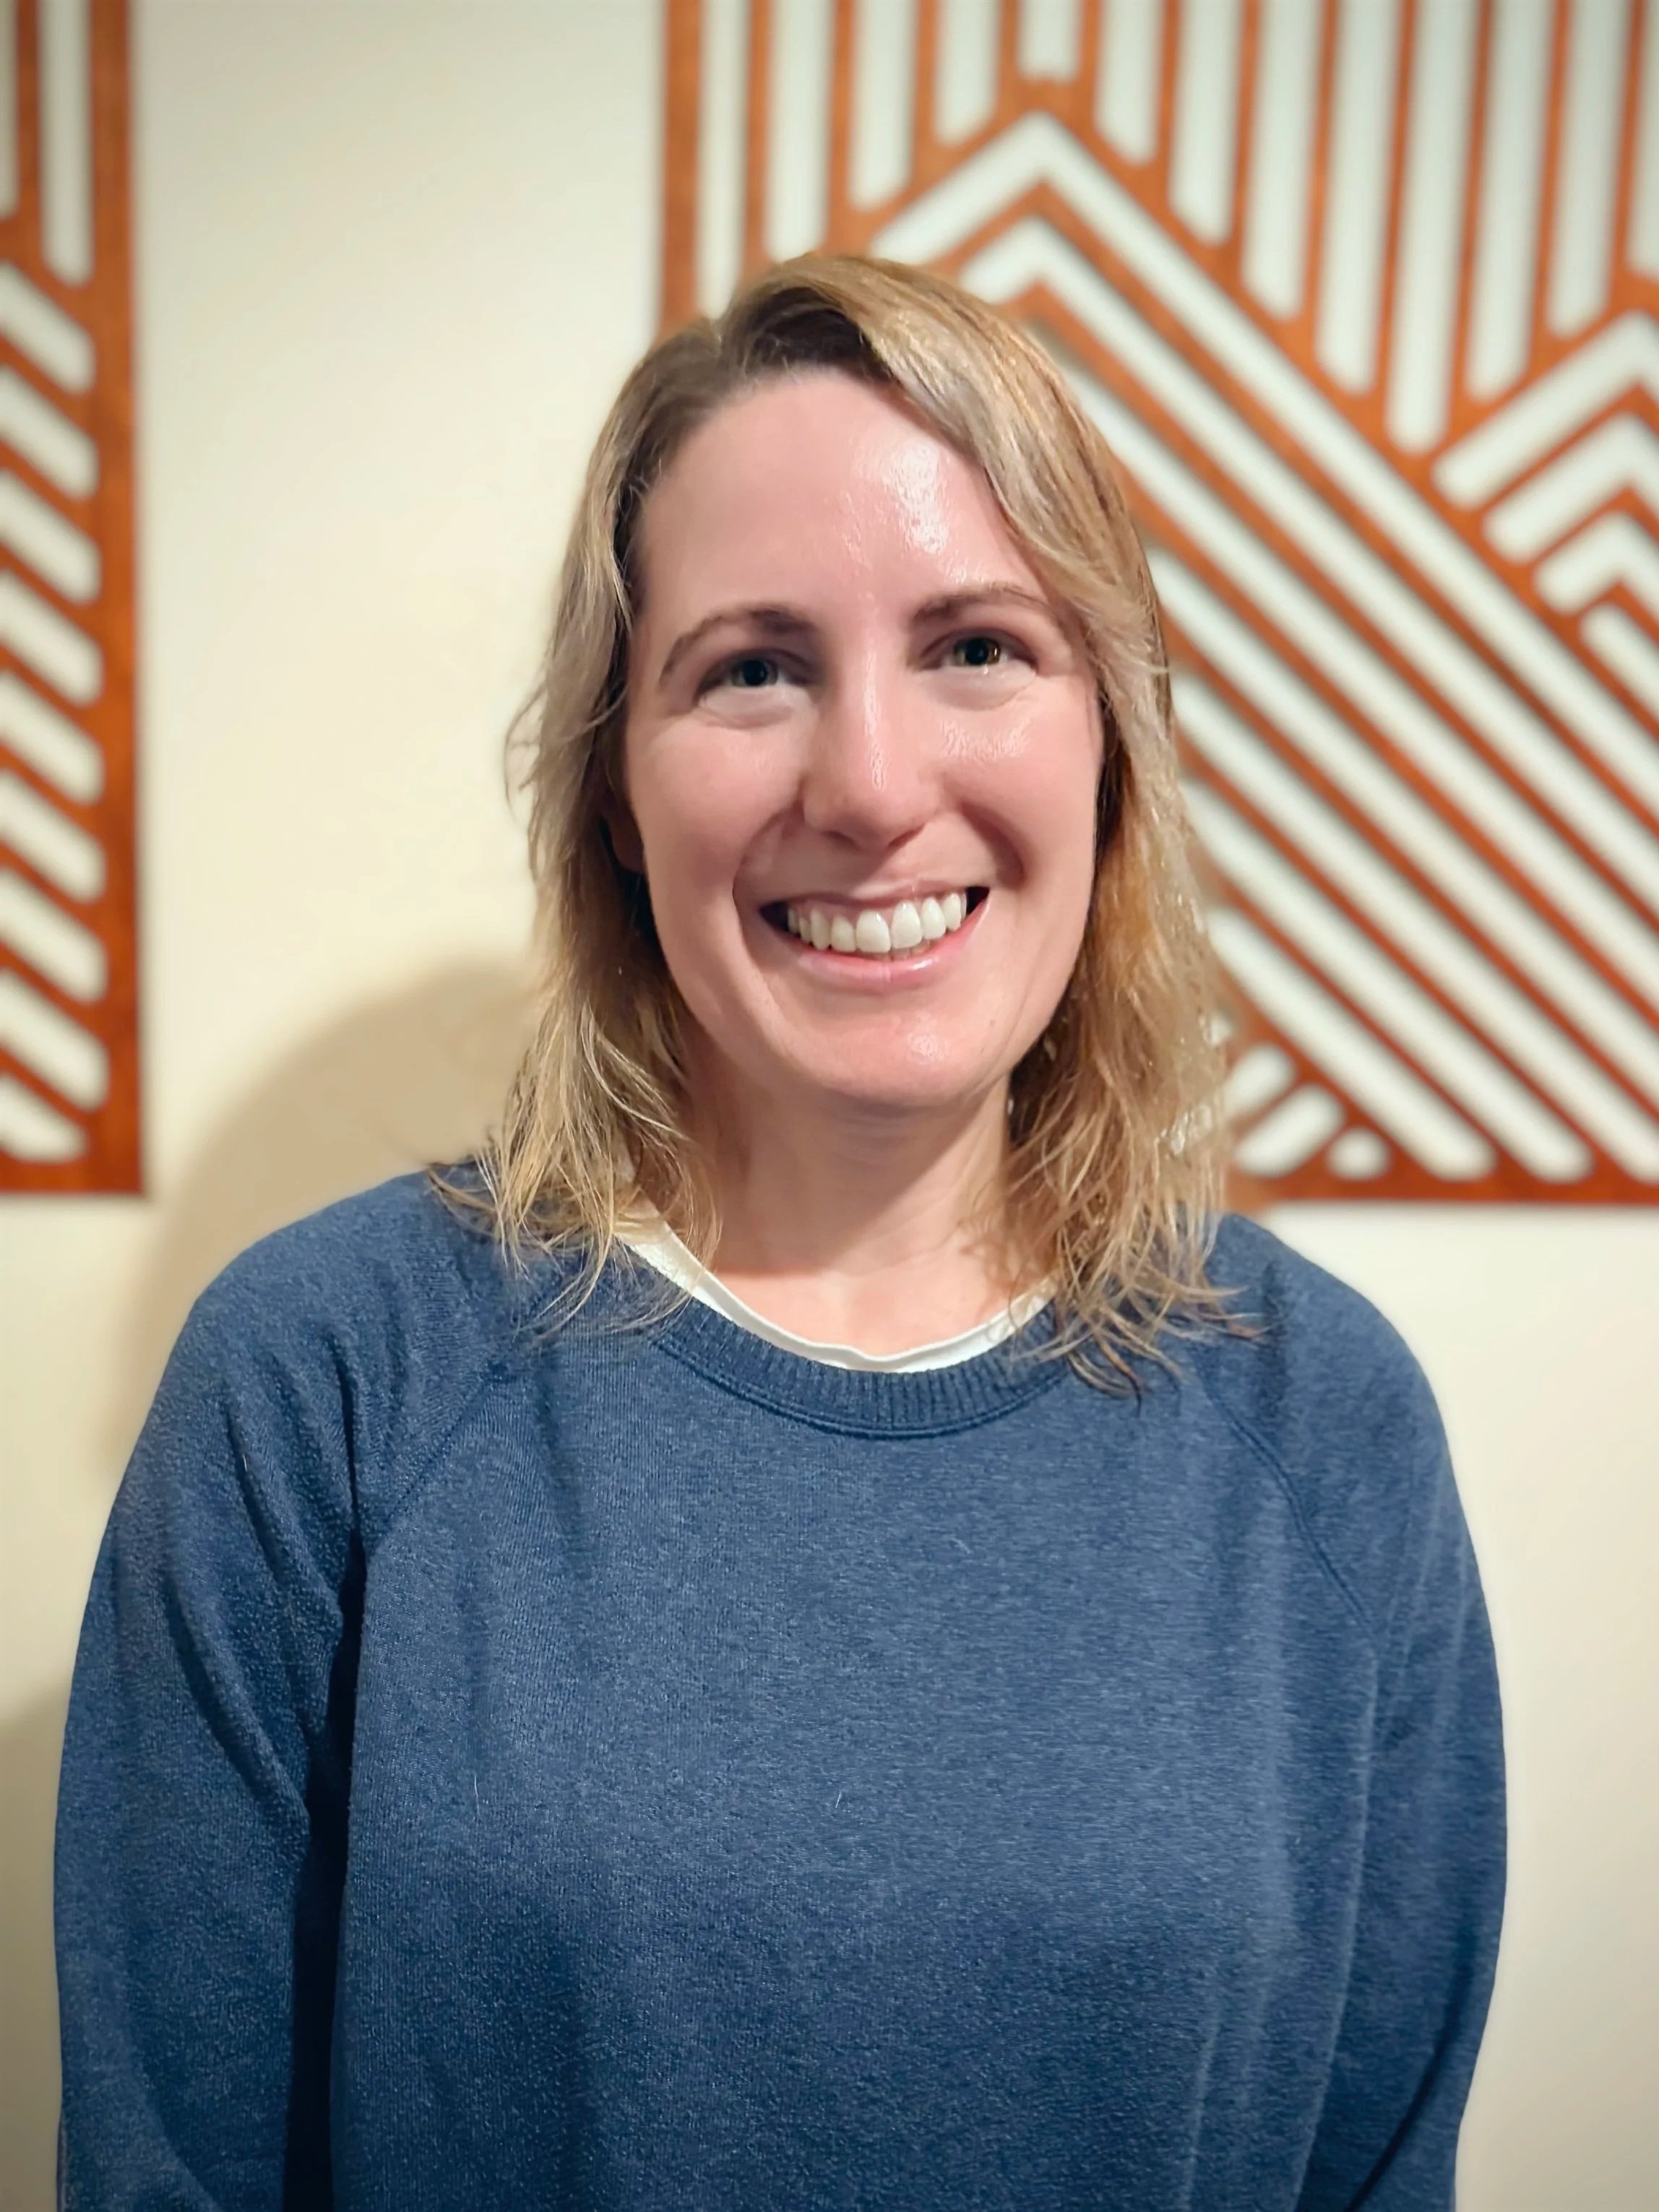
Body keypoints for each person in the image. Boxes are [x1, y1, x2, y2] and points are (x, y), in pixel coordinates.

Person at [54, 256, 1504, 2211]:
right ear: (615, 798)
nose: (876, 786)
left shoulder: (1324, 1426)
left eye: (978, 646)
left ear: (1111, 746)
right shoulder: (323, 1385)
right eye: (752, 667)